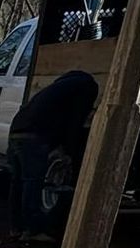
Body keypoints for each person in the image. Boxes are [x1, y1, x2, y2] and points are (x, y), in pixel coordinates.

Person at [7, 69, 99, 238]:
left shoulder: (57, 88)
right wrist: (70, 151)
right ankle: (33, 229)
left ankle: (16, 227)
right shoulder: (87, 87)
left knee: (19, 181)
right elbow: (75, 121)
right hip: (35, 135)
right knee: (32, 182)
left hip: (17, 129)